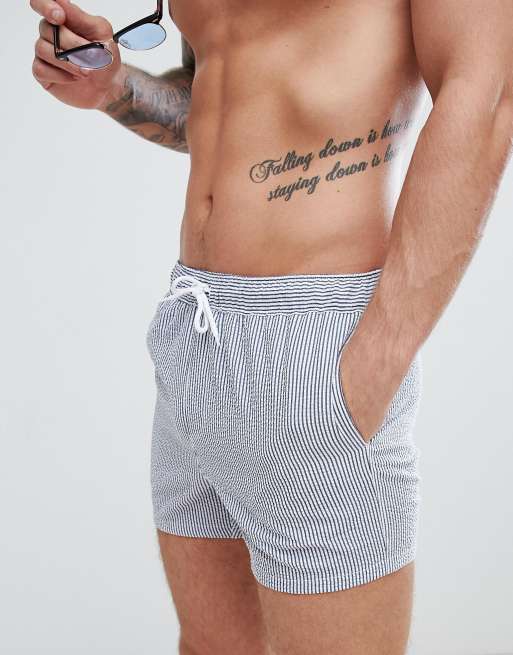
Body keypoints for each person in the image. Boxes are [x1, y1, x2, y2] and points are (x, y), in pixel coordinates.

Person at [31, 0, 513, 653]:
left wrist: (378, 357)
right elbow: (223, 93)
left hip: (318, 341)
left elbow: (484, 93)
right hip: (194, 327)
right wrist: (114, 85)